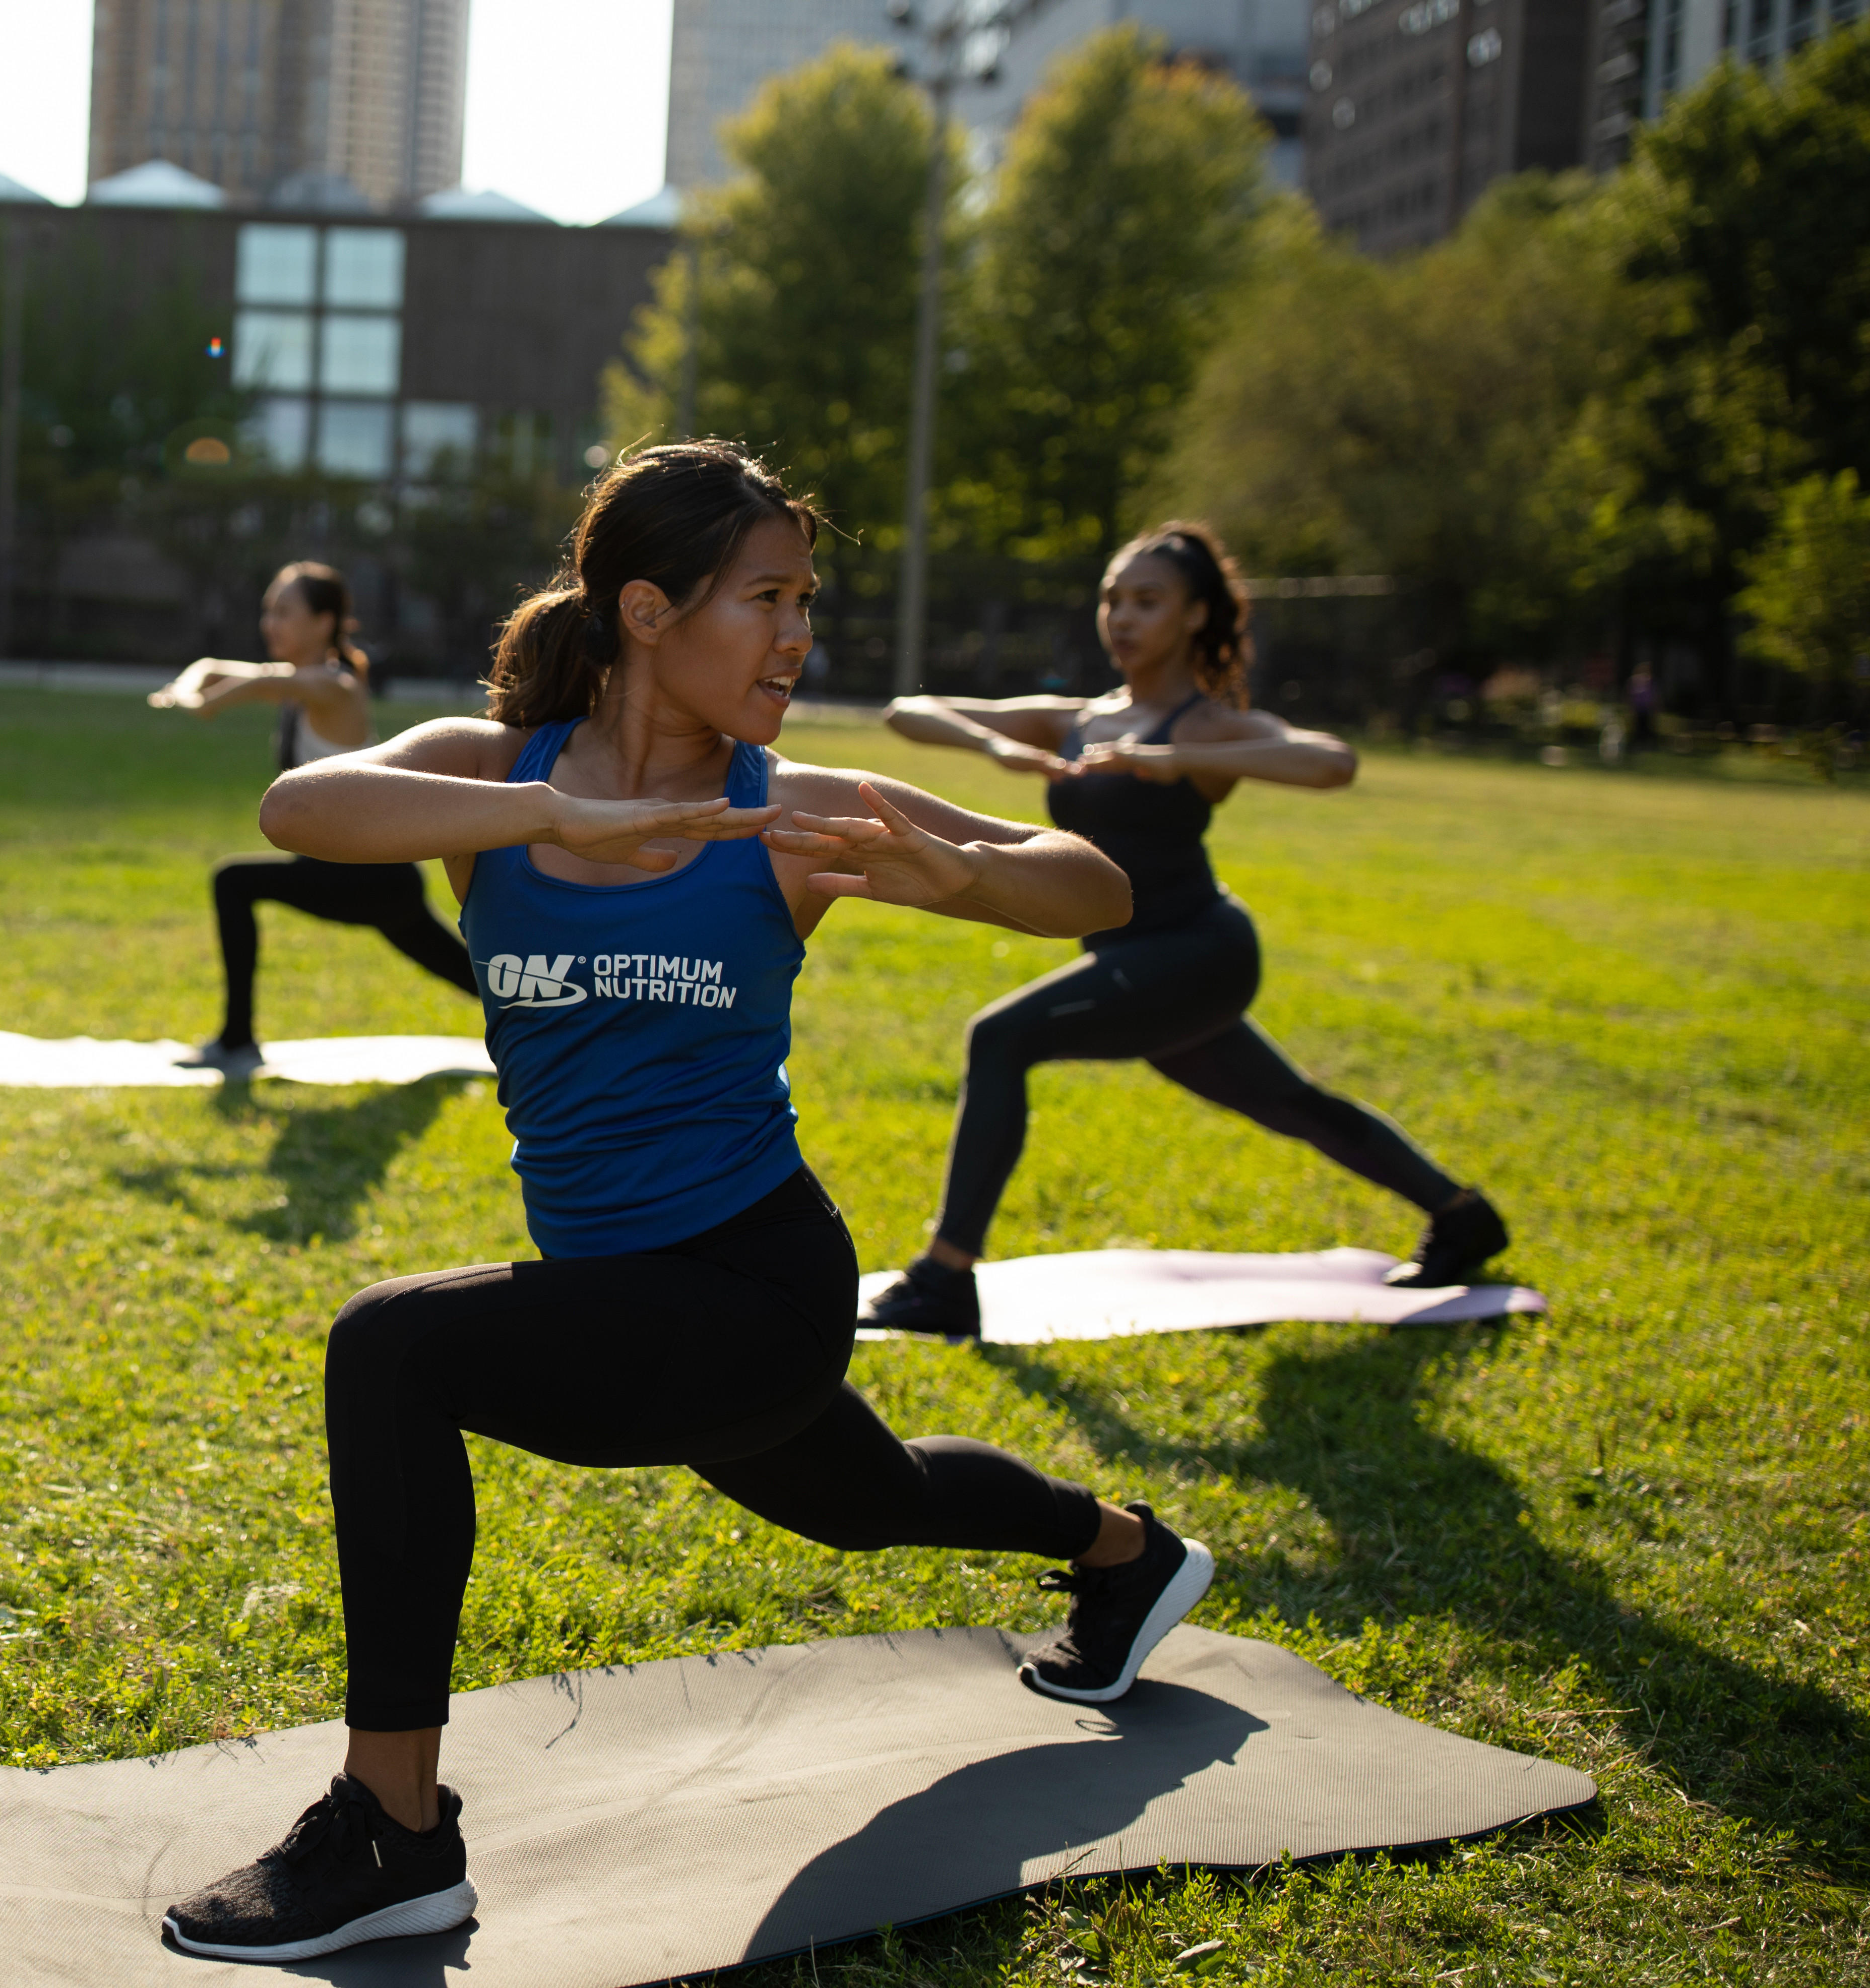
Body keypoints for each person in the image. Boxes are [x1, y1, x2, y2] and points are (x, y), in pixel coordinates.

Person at [160, 445, 1215, 1966]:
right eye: (765, 597)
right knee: (876, 1502)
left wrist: (948, 867)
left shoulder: (789, 807)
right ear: (644, 610)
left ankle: (392, 1827)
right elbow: (297, 802)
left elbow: (1094, 883)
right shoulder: (494, 770)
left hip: (754, 1280)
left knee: (389, 1346)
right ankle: (1120, 1552)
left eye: (806, 598)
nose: (798, 636)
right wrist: (548, 825)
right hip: (628, 1300)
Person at [855, 523, 1507, 1340]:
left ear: (1195, 617)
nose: (1122, 618)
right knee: (1292, 1105)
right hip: (1142, 960)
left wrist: (1172, 764)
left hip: (1199, 953)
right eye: (1112, 600)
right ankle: (1463, 1216)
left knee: (1001, 1038)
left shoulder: (1203, 727)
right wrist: (995, 744)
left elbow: (1331, 761)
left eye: (1148, 602)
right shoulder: (1081, 719)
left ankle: (944, 1278)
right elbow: (906, 710)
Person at [147, 563, 475, 1073]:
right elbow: (211, 665)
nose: (269, 622)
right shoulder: (302, 684)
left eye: (284, 611)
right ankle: (566, 1025)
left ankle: (236, 1041)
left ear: (323, 623)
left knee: (233, 882)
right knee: (476, 979)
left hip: (371, 876)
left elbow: (256, 684)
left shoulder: (335, 688)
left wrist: (203, 703)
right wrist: (187, 687)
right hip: (357, 874)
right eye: (267, 610)